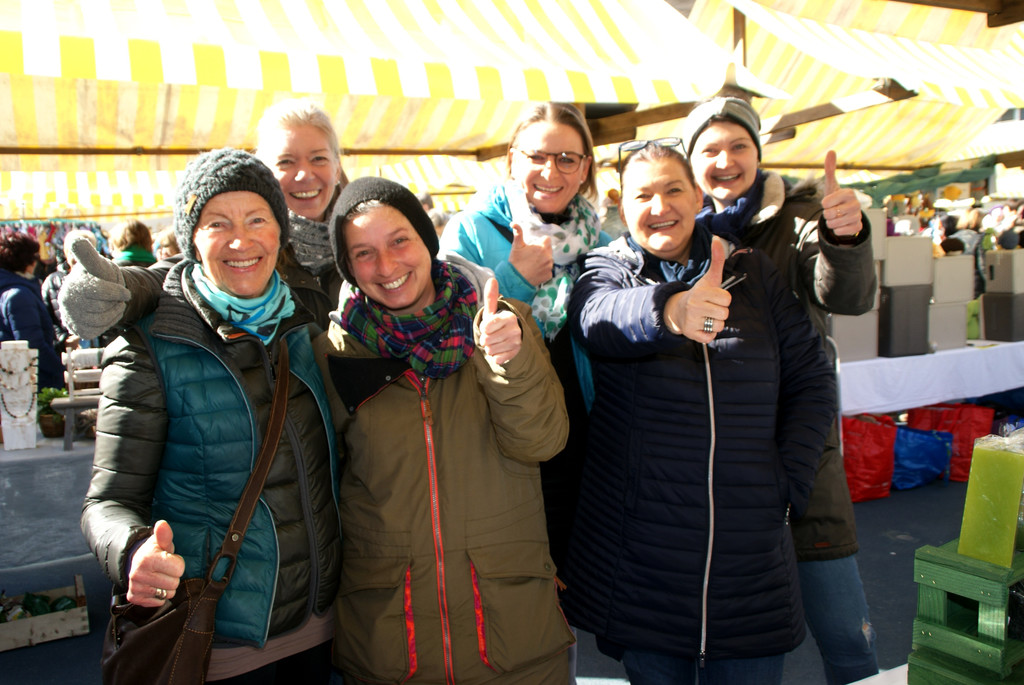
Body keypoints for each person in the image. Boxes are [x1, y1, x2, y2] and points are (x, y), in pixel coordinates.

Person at [561, 139, 836, 684]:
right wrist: (672, 309)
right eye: (643, 195)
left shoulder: (752, 272)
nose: (659, 206)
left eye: (673, 190)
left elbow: (811, 377)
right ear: (621, 206)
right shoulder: (604, 270)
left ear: (696, 196)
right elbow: (596, 318)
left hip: (750, 560)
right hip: (645, 560)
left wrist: (786, 479)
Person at [79, 148, 341, 684]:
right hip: (219, 641)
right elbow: (106, 504)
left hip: (323, 625)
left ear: (280, 232)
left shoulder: (308, 322)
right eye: (217, 223)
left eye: (257, 220)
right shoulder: (148, 345)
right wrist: (133, 552)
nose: (241, 241)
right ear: (191, 239)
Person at [316, 176, 573, 683]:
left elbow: (542, 441)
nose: (386, 266)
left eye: (399, 241)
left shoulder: (503, 323)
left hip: (512, 636)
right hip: (391, 643)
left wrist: (510, 364)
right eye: (364, 253)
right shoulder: (335, 352)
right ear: (347, 266)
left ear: (427, 240)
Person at [681, 96, 879, 685]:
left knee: (844, 630)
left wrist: (845, 241)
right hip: (717, 457)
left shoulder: (801, 216)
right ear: (691, 162)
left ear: (758, 153)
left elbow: (847, 297)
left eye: (738, 145)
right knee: (739, 640)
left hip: (802, 445)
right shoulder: (679, 230)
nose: (725, 160)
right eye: (709, 149)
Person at [440, 101, 609, 582]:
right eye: (536, 156)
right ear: (513, 160)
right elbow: (449, 333)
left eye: (566, 159)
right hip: (503, 438)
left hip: (582, 440)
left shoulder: (600, 241)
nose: (550, 171)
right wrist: (515, 279)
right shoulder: (472, 229)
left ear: (584, 170)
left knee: (576, 577)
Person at [58, 98, 349, 339]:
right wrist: (117, 287)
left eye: (318, 159)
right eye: (286, 161)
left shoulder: (365, 242)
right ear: (265, 173)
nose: (304, 174)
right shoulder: (252, 243)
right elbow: (170, 277)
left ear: (337, 168)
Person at [0, 229, 64, 390]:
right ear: (27, 260)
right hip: (30, 383)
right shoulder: (19, 295)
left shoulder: (10, 290)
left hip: (16, 382)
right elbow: (33, 346)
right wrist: (61, 371)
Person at [41, 228, 98, 353]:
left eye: (85, 252)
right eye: (73, 251)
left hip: (100, 350)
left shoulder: (103, 279)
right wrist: (64, 339)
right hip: (68, 352)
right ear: (66, 253)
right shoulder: (53, 282)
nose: (78, 257)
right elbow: (47, 319)